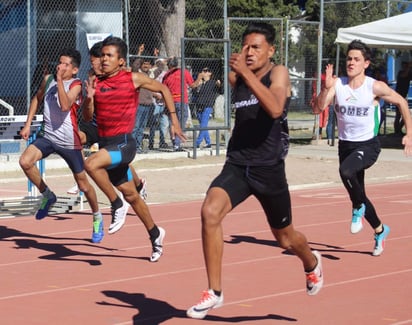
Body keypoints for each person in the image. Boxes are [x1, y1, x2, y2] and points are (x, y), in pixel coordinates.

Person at [186, 22, 323, 320]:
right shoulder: (238, 78)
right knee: (209, 212)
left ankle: (311, 262)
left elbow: (275, 108)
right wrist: (241, 74)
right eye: (245, 46)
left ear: (271, 50)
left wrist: (246, 74)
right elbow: (239, 85)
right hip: (237, 163)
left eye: (256, 47)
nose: (248, 52)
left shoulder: (279, 72)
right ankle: (215, 292)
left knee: (285, 239)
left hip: (268, 169)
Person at [83, 36, 185, 262]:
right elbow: (88, 117)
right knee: (133, 196)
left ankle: (115, 203)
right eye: (102, 56)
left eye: (109, 56)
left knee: (90, 163)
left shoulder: (133, 78)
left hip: (125, 144)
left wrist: (174, 121)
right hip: (107, 145)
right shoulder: (95, 83)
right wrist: (89, 99)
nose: (104, 60)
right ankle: (155, 233)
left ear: (120, 61)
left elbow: (165, 91)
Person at [314, 40, 412, 257]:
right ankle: (379, 229)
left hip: (368, 146)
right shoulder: (338, 85)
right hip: (345, 146)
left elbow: (402, 103)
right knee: (359, 193)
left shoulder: (374, 86)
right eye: (349, 58)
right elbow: (318, 107)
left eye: (356, 59)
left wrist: (409, 134)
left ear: (365, 63)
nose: (351, 62)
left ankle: (357, 209)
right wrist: (325, 88)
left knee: (346, 172)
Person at [18, 48, 104, 244]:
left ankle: (97, 216)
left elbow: (65, 106)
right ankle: (48, 195)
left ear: (74, 70)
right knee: (25, 161)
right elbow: (37, 98)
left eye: (65, 64)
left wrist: (59, 81)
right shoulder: (48, 79)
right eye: (60, 62)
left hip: (69, 141)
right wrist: (28, 124)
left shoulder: (75, 85)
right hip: (48, 137)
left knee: (83, 184)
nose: (60, 66)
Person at [67, 42, 147, 201]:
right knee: (75, 138)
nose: (93, 64)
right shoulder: (92, 75)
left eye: (95, 60)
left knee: (119, 162)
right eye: (91, 61)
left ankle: (138, 184)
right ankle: (81, 175)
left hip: (112, 126)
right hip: (93, 122)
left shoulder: (118, 73)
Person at [162, 56, 202, 151]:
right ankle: (177, 144)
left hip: (170, 102)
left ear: (169, 65)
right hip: (181, 100)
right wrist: (199, 78)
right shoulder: (184, 72)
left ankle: (174, 142)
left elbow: (163, 89)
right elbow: (193, 85)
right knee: (181, 123)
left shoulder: (166, 75)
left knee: (172, 123)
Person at [193, 67, 221, 149]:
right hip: (199, 105)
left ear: (210, 73)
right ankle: (208, 143)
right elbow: (194, 92)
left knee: (203, 125)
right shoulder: (200, 82)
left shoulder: (213, 82)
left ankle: (197, 143)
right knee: (203, 124)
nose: (203, 73)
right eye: (203, 71)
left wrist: (219, 84)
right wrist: (198, 84)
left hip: (208, 105)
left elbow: (220, 89)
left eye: (206, 71)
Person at [394, 61, 412, 134]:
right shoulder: (400, 73)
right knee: (398, 114)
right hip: (398, 95)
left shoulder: (409, 73)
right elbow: (404, 75)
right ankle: (397, 130)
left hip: (404, 96)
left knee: (407, 114)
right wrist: (409, 67)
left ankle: (399, 129)